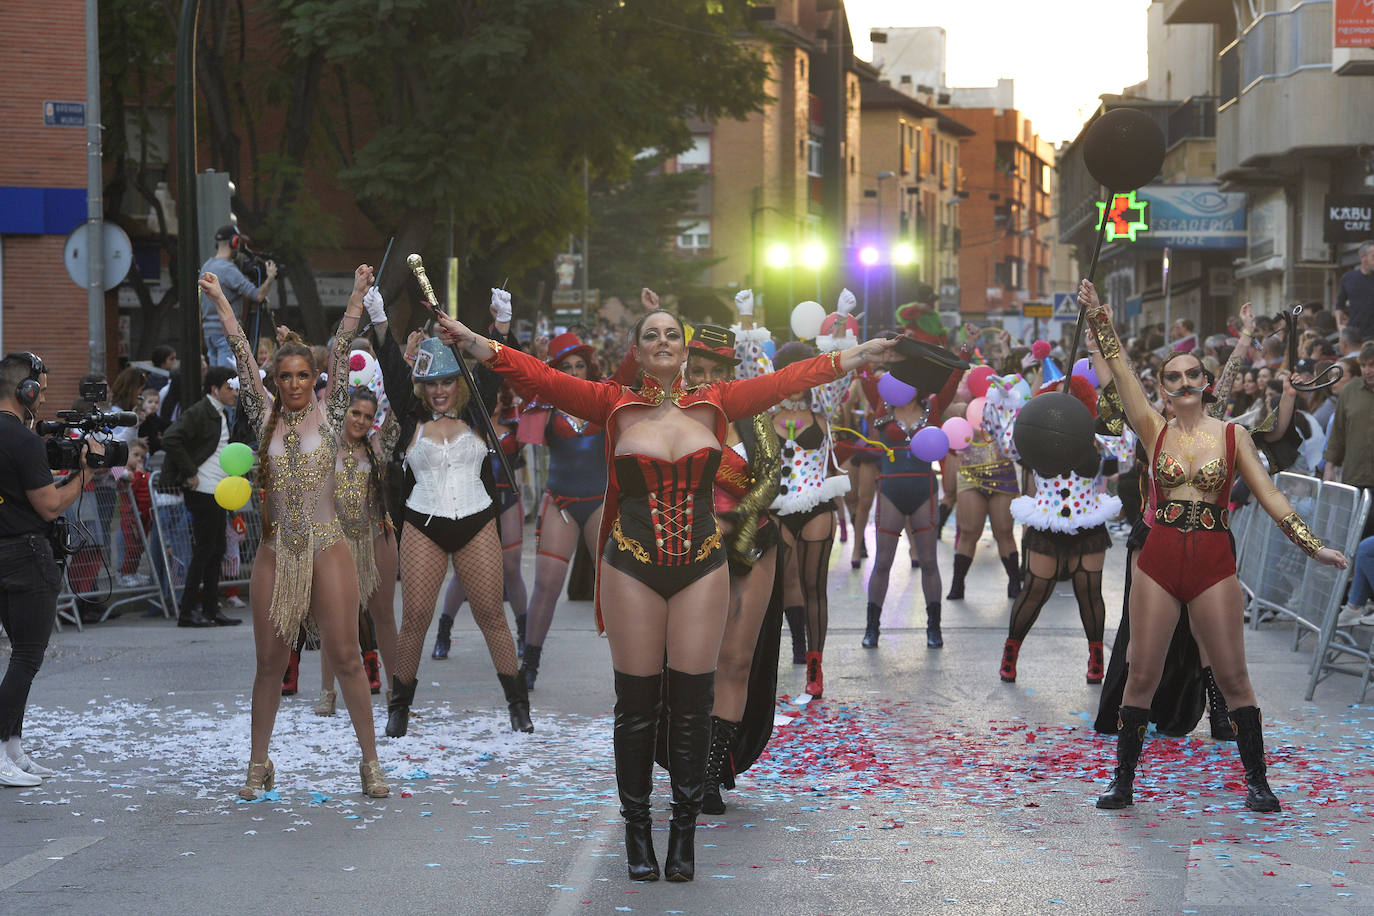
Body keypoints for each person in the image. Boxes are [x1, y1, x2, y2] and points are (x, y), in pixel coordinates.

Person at [434, 303, 897, 883]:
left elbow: (789, 379)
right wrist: (474, 338)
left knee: (692, 703)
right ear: (637, 349)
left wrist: (857, 355)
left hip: (702, 564)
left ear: (683, 348)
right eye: (649, 334)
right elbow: (538, 376)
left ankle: (683, 836)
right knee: (636, 706)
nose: (661, 341)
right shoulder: (612, 404)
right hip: (632, 562)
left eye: (670, 334)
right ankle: (637, 834)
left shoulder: (717, 402)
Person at [1081, 278, 1347, 813]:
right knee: (1142, 672)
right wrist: (1101, 322)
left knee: (1233, 676)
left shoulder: (1232, 436)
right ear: (1162, 387)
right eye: (1172, 377)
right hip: (1157, 558)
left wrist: (1310, 544)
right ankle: (1123, 781)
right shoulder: (1152, 428)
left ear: (1205, 381)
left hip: (1212, 560)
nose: (1183, 383)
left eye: (1191, 375)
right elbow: (1124, 377)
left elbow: (1270, 493)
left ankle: (1257, 781)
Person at [202, 265, 389, 801]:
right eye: (283, 377)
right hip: (275, 552)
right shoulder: (263, 417)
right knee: (270, 664)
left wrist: (355, 293)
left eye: (302, 376)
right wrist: (220, 298)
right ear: (275, 382)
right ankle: (259, 763)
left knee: (349, 656)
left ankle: (370, 761)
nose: (292, 385)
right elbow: (239, 348)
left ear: (317, 378)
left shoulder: (331, 417)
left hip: (329, 546)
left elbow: (345, 336)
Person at [382, 328, 533, 738]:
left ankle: (518, 705)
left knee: (490, 616)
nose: (439, 391)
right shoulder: (410, 415)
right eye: (430, 383)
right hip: (423, 522)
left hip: (477, 519)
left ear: (460, 382)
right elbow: (393, 370)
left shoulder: (476, 412)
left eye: (447, 381)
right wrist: (381, 323)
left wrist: (501, 329)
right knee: (414, 617)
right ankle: (399, 710)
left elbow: (496, 363)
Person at [0, 352, 101, 786]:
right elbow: (49, 504)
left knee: (19, 656)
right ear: (28, 390)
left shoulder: (21, 437)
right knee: (26, 656)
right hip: (24, 554)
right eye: (40, 388)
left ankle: (12, 748)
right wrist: (87, 474)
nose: (42, 398)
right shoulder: (21, 441)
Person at [984, 364, 1120, 685]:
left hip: (1088, 522)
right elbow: (1006, 442)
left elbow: (1126, 441)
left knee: (1089, 592)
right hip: (1046, 523)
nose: (1062, 406)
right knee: (1035, 590)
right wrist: (1001, 400)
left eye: (1070, 397)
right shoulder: (1032, 434)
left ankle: (1096, 655)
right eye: (1055, 398)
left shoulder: (1097, 434)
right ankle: (1011, 651)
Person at [510, 331, 608, 689]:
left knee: (618, 589)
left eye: (580, 364)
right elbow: (514, 373)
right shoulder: (542, 404)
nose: (574, 370)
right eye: (566, 365)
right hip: (561, 504)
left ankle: (638, 672)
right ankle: (529, 666)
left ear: (589, 367)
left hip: (600, 503)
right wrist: (501, 331)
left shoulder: (605, 397)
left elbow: (632, 370)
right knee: (547, 587)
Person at [862, 360, 963, 649]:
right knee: (882, 562)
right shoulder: (883, 405)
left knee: (929, 561)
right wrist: (876, 351)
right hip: (890, 490)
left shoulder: (933, 405)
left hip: (923, 489)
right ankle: (872, 628)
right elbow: (865, 374)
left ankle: (934, 628)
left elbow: (954, 379)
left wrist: (966, 348)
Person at [315, 386, 399, 715]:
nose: (362, 421)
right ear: (343, 412)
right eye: (356, 413)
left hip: (376, 537)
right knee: (334, 620)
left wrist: (407, 359)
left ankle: (396, 691)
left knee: (384, 617)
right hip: (336, 542)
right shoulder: (323, 447)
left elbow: (398, 411)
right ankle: (327, 692)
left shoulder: (376, 447)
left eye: (368, 416)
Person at [160, 365, 243, 628]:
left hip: (217, 489)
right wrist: (190, 471)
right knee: (206, 550)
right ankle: (187, 612)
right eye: (229, 387)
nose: (234, 392)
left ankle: (209, 608)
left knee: (216, 548)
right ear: (215, 389)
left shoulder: (219, 412)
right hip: (203, 489)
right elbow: (171, 438)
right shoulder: (200, 411)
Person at [200, 224, 277, 368]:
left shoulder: (207, 266)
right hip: (226, 333)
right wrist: (270, 277)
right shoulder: (229, 269)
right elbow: (258, 295)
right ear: (234, 242)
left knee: (216, 378)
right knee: (227, 379)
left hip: (209, 332)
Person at [1323, 341, 1374, 536]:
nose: (1368, 370)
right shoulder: (1350, 391)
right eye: (1364, 365)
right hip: (1356, 477)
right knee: (1356, 535)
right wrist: (1329, 466)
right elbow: (1338, 433)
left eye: (1372, 365)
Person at [1335, 240, 1374, 341]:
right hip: (1355, 335)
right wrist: (1340, 326)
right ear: (1363, 257)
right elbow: (1339, 306)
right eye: (1373, 256)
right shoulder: (1348, 278)